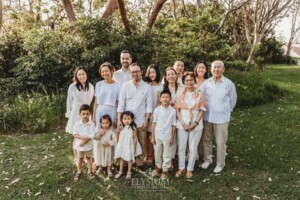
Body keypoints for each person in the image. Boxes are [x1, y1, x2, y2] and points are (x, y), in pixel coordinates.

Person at [201, 60, 237, 173]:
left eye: (219, 67)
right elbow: (200, 97)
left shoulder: (228, 84)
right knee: (206, 140)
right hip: (207, 116)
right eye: (214, 67)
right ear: (211, 69)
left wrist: (225, 111)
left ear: (223, 69)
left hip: (221, 118)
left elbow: (233, 100)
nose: (216, 69)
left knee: (220, 141)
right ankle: (208, 159)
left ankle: (220, 164)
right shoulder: (206, 83)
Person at [117, 63, 152, 168]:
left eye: (137, 71)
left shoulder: (147, 87)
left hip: (141, 120)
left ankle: (140, 162)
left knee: (141, 142)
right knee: (127, 141)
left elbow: (149, 106)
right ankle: (126, 161)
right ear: (130, 73)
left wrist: (147, 120)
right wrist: (119, 120)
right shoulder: (125, 86)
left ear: (141, 72)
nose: (135, 73)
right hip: (127, 121)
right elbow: (121, 104)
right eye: (132, 72)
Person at [175, 72, 206, 179]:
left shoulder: (199, 93)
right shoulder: (180, 93)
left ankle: (189, 169)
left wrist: (195, 123)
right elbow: (177, 111)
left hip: (196, 124)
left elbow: (202, 110)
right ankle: (181, 167)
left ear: (194, 80)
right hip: (182, 124)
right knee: (182, 147)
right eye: (187, 80)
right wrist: (183, 124)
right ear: (184, 82)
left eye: (191, 80)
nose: (189, 82)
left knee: (193, 148)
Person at [65, 67, 94, 163]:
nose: (81, 76)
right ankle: (76, 157)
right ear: (76, 76)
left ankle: (85, 156)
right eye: (79, 74)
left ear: (86, 75)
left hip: (87, 114)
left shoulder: (91, 86)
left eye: (83, 74)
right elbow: (69, 101)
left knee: (86, 134)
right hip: (76, 114)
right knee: (77, 136)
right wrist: (68, 114)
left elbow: (91, 101)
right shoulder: (72, 87)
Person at [151, 90, 176, 180]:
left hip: (168, 136)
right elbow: (154, 123)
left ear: (170, 99)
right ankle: (158, 166)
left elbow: (173, 125)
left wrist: (172, 137)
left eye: (167, 97)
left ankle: (165, 169)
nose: (165, 99)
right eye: (163, 97)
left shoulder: (173, 111)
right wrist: (153, 136)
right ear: (160, 99)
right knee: (157, 151)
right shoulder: (157, 110)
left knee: (167, 153)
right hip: (158, 135)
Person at [162, 67, 184, 170]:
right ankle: (169, 160)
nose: (171, 76)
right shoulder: (163, 88)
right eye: (168, 75)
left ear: (176, 75)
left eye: (172, 74)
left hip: (180, 114)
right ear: (166, 77)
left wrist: (175, 104)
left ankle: (179, 156)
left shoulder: (182, 87)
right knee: (169, 137)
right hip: (168, 115)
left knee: (177, 137)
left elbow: (184, 101)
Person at [144, 64, 163, 165]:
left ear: (157, 73)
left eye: (154, 72)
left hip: (155, 114)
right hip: (145, 114)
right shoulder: (145, 85)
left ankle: (151, 155)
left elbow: (160, 102)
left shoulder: (161, 86)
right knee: (146, 136)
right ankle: (146, 154)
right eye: (150, 72)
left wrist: (155, 114)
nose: (152, 74)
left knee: (152, 135)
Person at [114, 111, 142, 179]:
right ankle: (120, 171)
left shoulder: (133, 127)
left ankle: (129, 172)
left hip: (129, 145)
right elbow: (118, 135)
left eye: (128, 119)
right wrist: (118, 144)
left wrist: (134, 147)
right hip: (123, 145)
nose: (126, 121)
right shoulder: (121, 127)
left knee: (130, 159)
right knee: (122, 159)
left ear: (132, 119)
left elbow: (135, 138)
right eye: (125, 119)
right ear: (122, 120)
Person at [73, 104, 97, 181]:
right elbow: (75, 134)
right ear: (80, 114)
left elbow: (93, 134)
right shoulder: (77, 124)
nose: (85, 116)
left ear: (90, 114)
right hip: (80, 146)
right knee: (79, 159)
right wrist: (83, 138)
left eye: (87, 114)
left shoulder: (92, 124)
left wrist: (86, 140)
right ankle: (79, 171)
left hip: (89, 145)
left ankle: (90, 171)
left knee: (89, 158)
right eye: (83, 114)